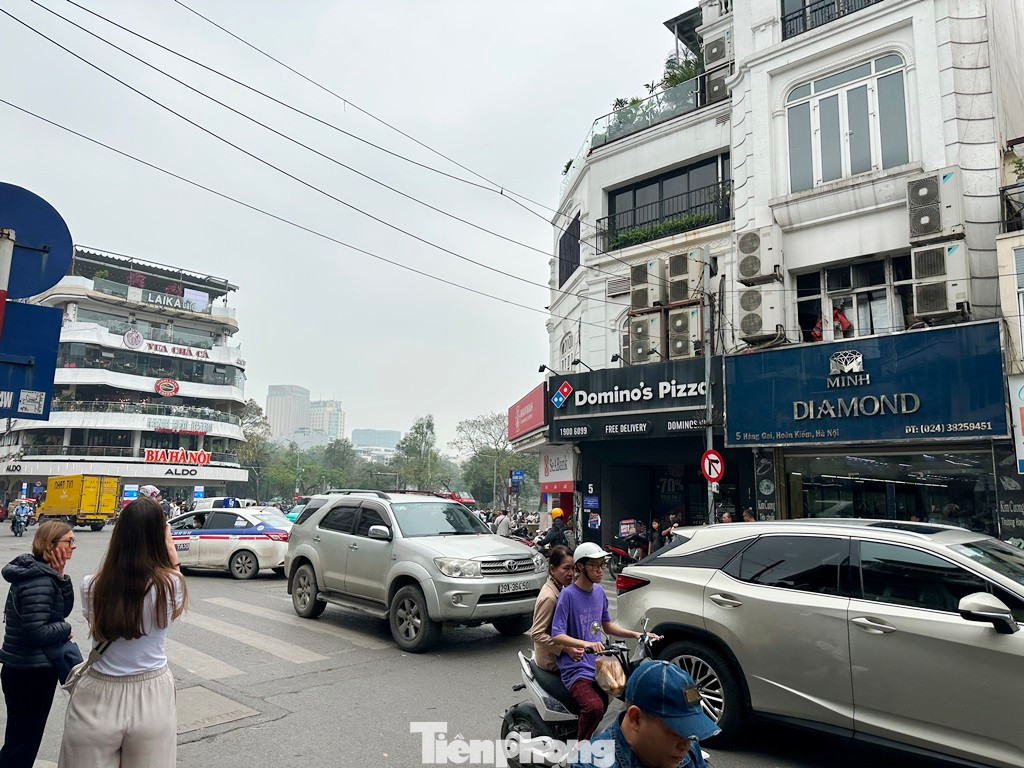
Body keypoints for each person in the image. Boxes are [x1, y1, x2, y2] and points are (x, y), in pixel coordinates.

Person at [58, 496, 187, 768]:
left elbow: (99, 623)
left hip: (98, 692)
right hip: (151, 694)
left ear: (119, 534)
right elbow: (173, 610)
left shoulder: (91, 585)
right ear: (158, 537)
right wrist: (171, 551)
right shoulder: (170, 584)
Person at [551, 543, 652, 742]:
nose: (600, 570)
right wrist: (585, 644)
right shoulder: (568, 596)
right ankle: (579, 751)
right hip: (576, 667)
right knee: (594, 707)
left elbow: (606, 625)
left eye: (602, 565)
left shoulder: (599, 592)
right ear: (580, 567)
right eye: (595, 566)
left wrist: (636, 634)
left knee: (619, 696)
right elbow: (556, 634)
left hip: (599, 663)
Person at [0, 520, 77, 768]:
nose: (74, 546)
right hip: (30, 673)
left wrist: (62, 576)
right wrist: (65, 630)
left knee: (19, 739)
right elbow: (36, 632)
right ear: (51, 545)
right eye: (69, 541)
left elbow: (60, 610)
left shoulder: (42, 573)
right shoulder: (40, 580)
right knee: (23, 744)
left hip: (22, 669)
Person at [569, 660, 720, 768]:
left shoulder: (687, 746)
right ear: (635, 718)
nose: (686, 746)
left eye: (689, 731)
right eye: (676, 730)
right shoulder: (590, 763)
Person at [529, 546, 584, 672]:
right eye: (565, 568)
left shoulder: (560, 589)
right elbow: (537, 634)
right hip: (551, 660)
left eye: (573, 569)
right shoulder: (549, 597)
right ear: (552, 569)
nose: (571, 574)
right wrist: (566, 649)